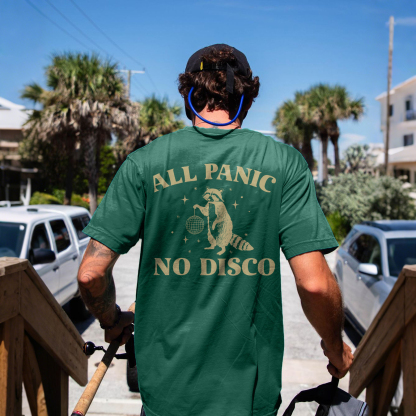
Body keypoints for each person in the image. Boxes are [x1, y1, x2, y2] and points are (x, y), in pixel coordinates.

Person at [78, 44, 353, 416]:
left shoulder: (143, 163)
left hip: (166, 400)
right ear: (247, 98)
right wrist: (335, 348)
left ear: (188, 95)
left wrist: (112, 320)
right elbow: (315, 284)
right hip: (249, 401)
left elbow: (91, 274)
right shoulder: (284, 163)